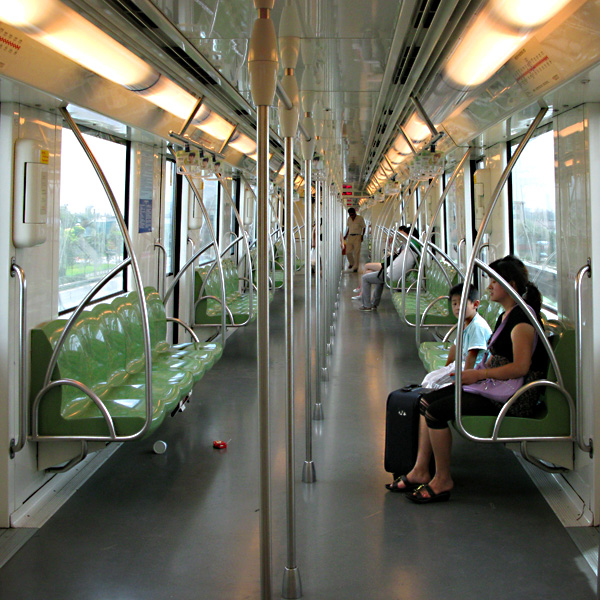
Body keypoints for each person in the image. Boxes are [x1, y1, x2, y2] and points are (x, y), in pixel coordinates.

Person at [386, 255, 547, 503]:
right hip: (498, 387)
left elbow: (520, 367)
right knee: (426, 401)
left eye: (494, 281)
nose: (489, 286)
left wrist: (478, 374)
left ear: (511, 286)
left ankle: (442, 479)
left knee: (436, 413)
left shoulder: (522, 322)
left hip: (515, 398)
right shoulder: (507, 316)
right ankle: (420, 470)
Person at [420, 283, 491, 389]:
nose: (458, 308)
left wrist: (464, 381)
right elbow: (455, 347)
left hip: (473, 370)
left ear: (475, 305)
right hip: (460, 364)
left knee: (435, 385)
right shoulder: (465, 323)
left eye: (462, 303)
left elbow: (472, 356)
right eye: (454, 304)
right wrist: (446, 367)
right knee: (430, 378)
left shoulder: (477, 326)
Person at [357, 226, 418, 311]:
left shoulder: (411, 246)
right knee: (379, 278)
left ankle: (366, 305)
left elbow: (407, 237)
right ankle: (374, 303)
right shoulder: (412, 248)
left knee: (365, 278)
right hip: (391, 272)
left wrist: (396, 234)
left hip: (393, 274)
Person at [343, 208, 366, 272]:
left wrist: (362, 236)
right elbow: (349, 228)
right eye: (350, 215)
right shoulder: (349, 219)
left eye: (352, 214)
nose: (351, 216)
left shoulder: (360, 218)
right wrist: (346, 235)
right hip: (350, 237)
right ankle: (351, 263)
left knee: (356, 252)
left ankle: (356, 267)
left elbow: (364, 227)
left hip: (357, 236)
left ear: (355, 213)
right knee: (348, 252)